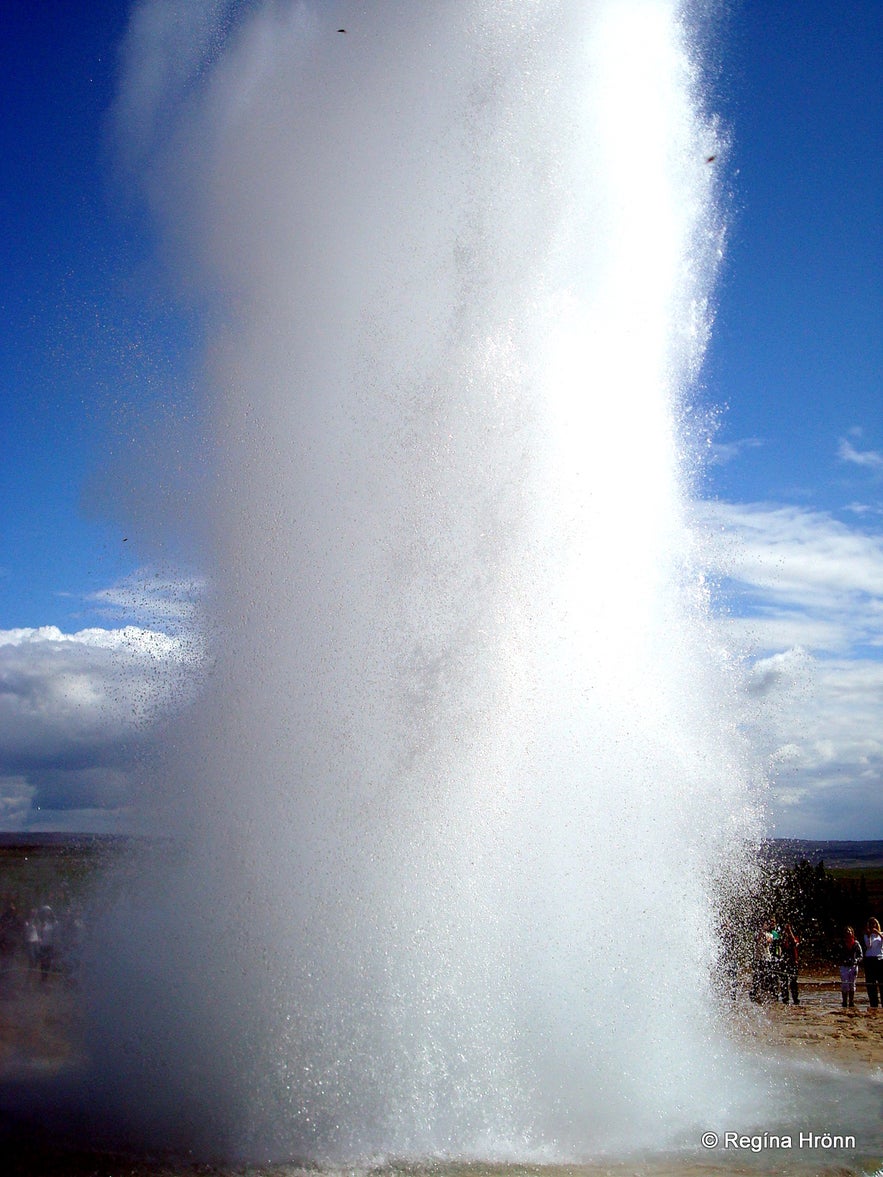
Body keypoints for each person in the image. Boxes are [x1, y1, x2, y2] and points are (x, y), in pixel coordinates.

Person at [839, 926, 863, 1008]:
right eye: (846, 932)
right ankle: (844, 1002)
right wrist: (842, 960)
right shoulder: (841, 944)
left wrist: (856, 960)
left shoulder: (856, 944)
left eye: (849, 931)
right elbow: (837, 954)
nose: (848, 933)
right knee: (844, 984)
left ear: (852, 933)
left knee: (852, 984)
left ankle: (851, 1002)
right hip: (844, 966)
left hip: (853, 966)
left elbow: (861, 955)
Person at [863, 917, 883, 1009]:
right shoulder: (866, 935)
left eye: (874, 924)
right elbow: (868, 945)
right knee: (871, 983)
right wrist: (870, 935)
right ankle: (873, 1004)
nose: (873, 925)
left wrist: (878, 933)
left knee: (881, 982)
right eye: (871, 924)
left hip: (880, 959)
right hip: (870, 960)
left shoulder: (881, 935)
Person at [780, 922, 800, 1005]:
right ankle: (785, 999)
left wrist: (790, 931)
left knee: (793, 982)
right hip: (784, 962)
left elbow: (795, 943)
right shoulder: (783, 938)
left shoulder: (795, 937)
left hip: (793, 962)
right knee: (784, 981)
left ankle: (795, 999)